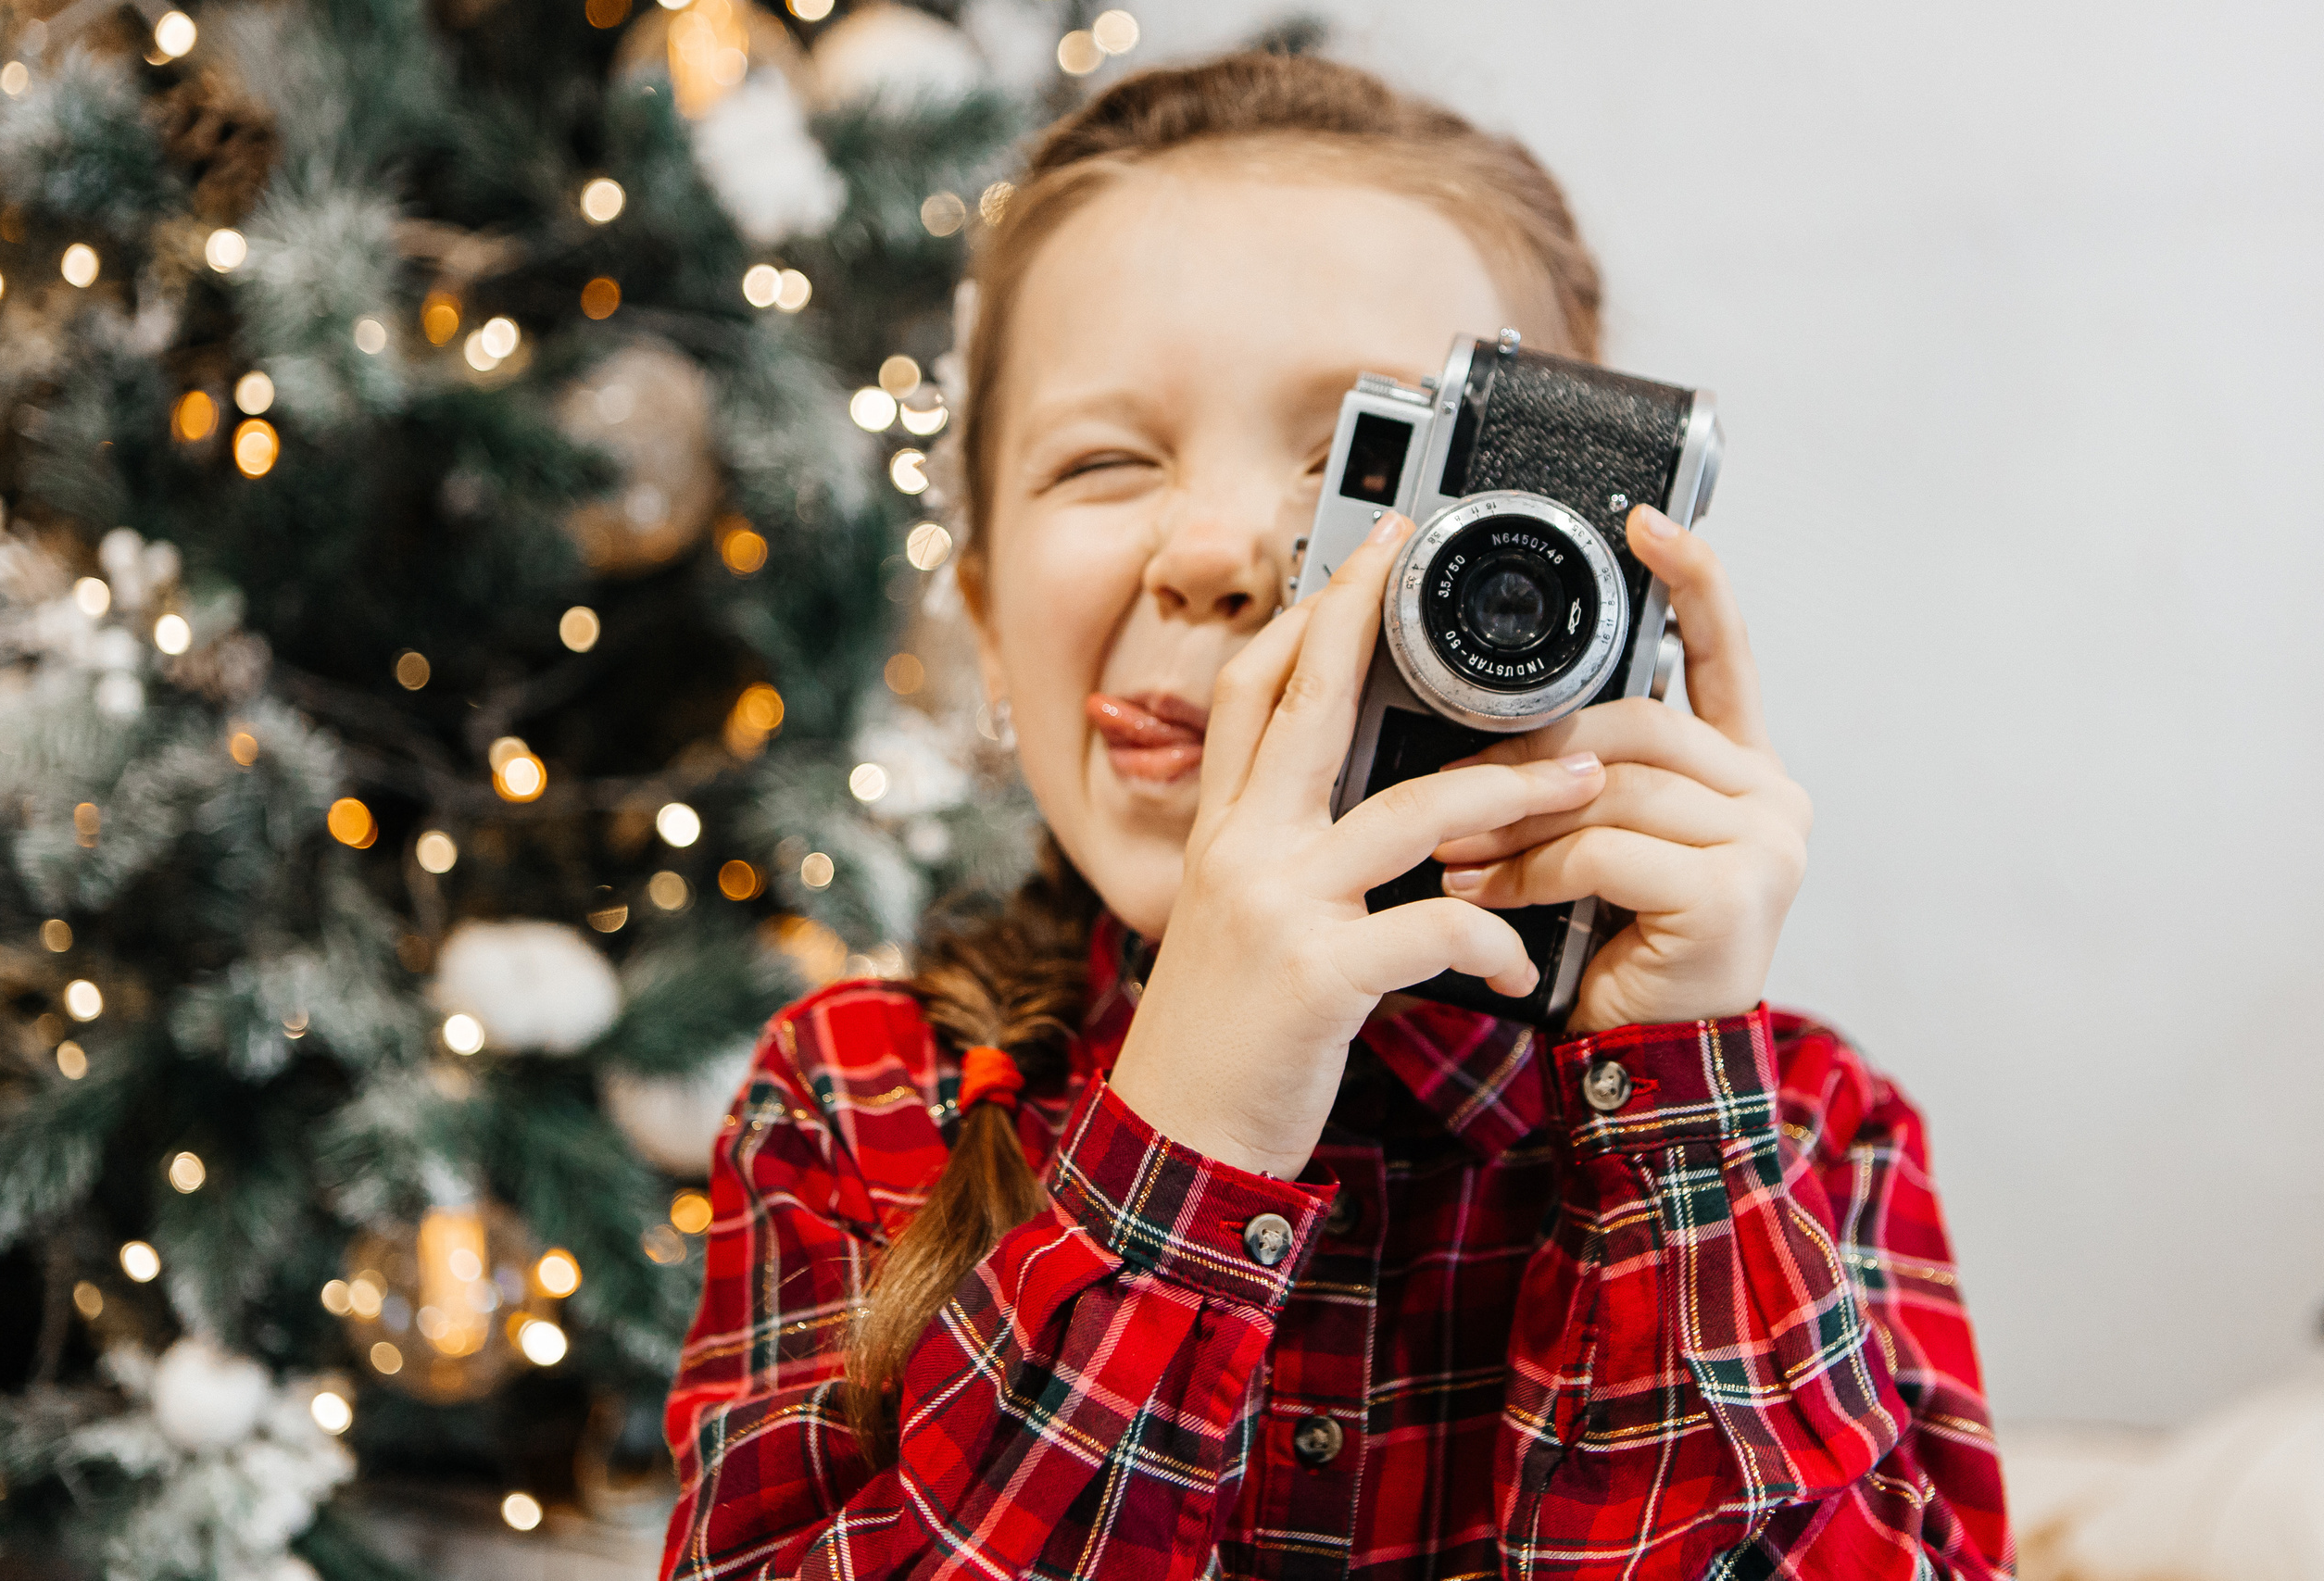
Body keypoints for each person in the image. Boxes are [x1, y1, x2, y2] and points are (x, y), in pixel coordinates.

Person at [661, 51, 2008, 1580]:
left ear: (1575, 588)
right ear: (981, 613)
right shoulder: (860, 1109)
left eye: (1361, 463)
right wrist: (1189, 1137)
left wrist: (1678, 1125)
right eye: (1105, 460)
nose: (1217, 553)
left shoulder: (1806, 1133)